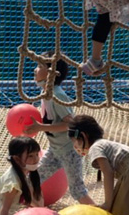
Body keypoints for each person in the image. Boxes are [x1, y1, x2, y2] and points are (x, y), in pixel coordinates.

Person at [22, 57, 94, 205]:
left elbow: (71, 124)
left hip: (70, 150)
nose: (35, 70)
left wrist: (41, 127)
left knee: (77, 191)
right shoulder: (46, 93)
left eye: (39, 66)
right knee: (32, 180)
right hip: (55, 149)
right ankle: (38, 213)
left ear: (51, 73)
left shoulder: (56, 94)